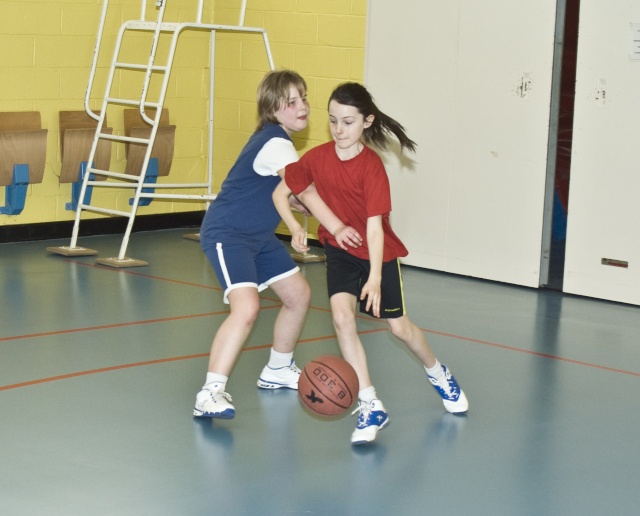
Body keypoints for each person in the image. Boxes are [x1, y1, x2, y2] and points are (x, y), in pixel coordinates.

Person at [272, 82, 469, 445]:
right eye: (332, 121)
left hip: (379, 255)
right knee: (342, 318)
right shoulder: (316, 158)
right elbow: (284, 189)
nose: (339, 130)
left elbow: (376, 230)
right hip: (340, 253)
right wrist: (295, 224)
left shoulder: (372, 167)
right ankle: (370, 403)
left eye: (348, 122)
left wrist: (376, 277)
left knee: (400, 329)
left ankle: (439, 373)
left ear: (367, 122)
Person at [193, 69, 313, 420]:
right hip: (228, 234)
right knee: (245, 309)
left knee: (298, 295)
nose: (301, 106)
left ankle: (278, 369)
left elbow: (291, 196)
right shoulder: (277, 143)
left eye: (304, 98)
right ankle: (209, 392)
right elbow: (304, 193)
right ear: (273, 109)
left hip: (258, 237)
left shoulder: (277, 142)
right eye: (291, 102)